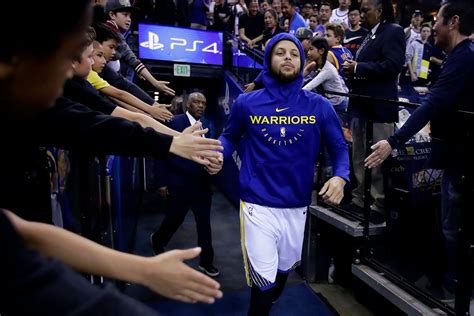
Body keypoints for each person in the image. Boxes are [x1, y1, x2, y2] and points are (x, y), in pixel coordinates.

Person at [0, 1, 222, 314]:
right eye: (68, 57)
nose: (78, 70)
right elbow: (101, 126)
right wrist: (170, 143)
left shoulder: (35, 102)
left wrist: (142, 270)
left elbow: (18, 233)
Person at [218, 33, 350, 315]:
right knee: (263, 283)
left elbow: (339, 149)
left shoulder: (319, 106)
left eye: (294, 52)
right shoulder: (246, 103)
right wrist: (217, 153)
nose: (288, 56)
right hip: (257, 204)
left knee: (282, 273)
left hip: (297, 206)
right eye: (280, 52)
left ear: (302, 61)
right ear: (268, 60)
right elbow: (229, 137)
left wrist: (340, 177)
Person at [364, 0, 474, 295]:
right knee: (450, 224)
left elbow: (432, 104)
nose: (433, 25)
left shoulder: (465, 57)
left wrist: (393, 141)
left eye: (437, 20)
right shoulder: (458, 55)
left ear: (453, 22)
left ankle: (454, 289)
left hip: (462, 159)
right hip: (454, 156)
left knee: (455, 227)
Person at [342, 0, 405, 215]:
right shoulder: (369, 35)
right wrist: (352, 71)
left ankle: (379, 203)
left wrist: (359, 67)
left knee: (377, 157)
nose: (361, 15)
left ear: (379, 11)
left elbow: (393, 65)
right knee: (359, 153)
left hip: (380, 107)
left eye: (366, 11)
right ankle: (360, 197)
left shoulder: (393, 31)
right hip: (361, 104)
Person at [151, 92, 221, 277]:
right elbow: (161, 154)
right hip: (179, 183)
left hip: (202, 185)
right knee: (174, 220)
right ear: (188, 105)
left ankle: (207, 261)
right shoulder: (175, 122)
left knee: (204, 224)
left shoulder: (206, 125)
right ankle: (157, 241)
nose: (201, 106)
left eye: (203, 103)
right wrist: (161, 182)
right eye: (197, 102)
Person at [104, 0, 175, 96]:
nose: (129, 19)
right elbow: (133, 60)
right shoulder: (112, 32)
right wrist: (155, 83)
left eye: (130, 16)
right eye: (125, 15)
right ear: (112, 15)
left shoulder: (110, 29)